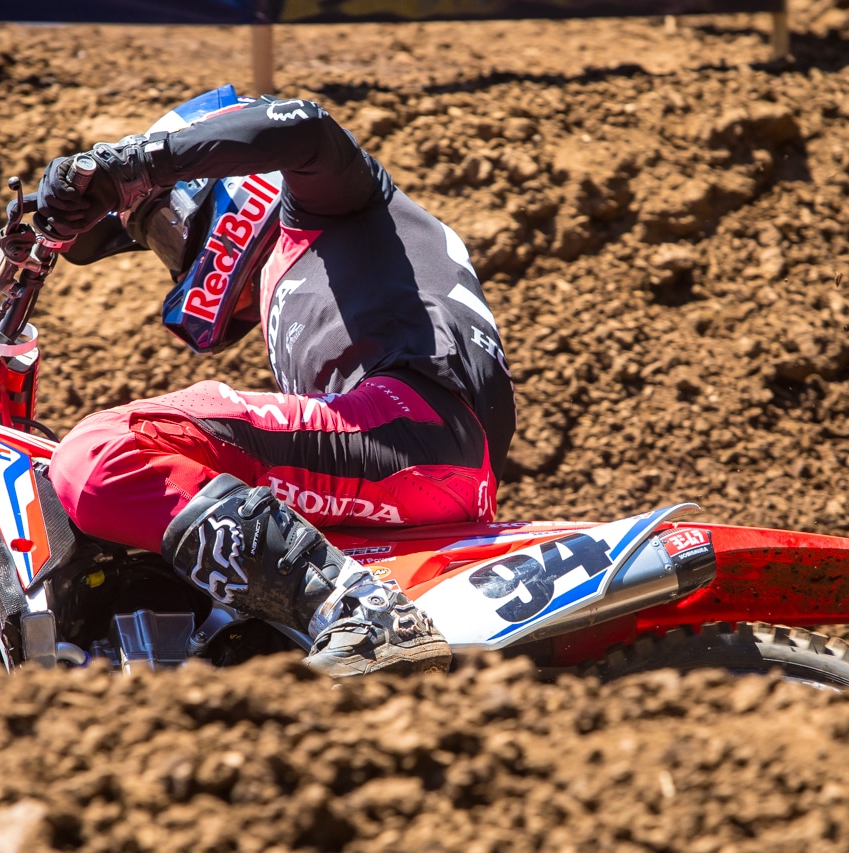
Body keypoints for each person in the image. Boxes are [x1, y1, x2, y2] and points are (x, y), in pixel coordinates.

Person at [35, 86, 515, 677]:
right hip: (429, 462)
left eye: (165, 226)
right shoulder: (311, 258)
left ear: (224, 181)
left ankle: (362, 610)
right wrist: (54, 219)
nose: (175, 259)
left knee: (105, 452)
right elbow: (94, 234)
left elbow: (306, 127)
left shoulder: (330, 205)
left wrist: (135, 161)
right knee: (187, 493)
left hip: (411, 426)